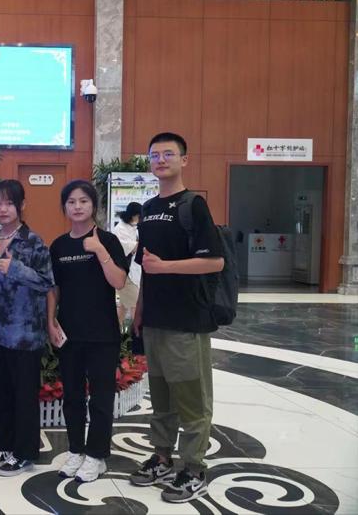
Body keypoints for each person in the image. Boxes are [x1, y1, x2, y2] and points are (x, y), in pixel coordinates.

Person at [128, 132, 224, 503]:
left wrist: (166, 266)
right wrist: (139, 310)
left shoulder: (193, 205)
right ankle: (162, 456)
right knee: (162, 395)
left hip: (187, 320)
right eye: (155, 155)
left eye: (169, 154)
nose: (161, 160)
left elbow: (214, 261)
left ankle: (194, 468)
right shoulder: (148, 208)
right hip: (155, 319)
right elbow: (146, 268)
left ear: (184, 160)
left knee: (192, 398)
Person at [47, 180, 128, 483]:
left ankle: (96, 455)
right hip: (69, 333)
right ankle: (76, 450)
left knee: (101, 397)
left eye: (83, 201)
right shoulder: (59, 246)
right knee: (72, 396)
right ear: (64, 207)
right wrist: (50, 321)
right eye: (71, 202)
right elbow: (54, 289)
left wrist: (99, 251)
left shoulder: (108, 240)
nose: (77, 206)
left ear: (94, 205)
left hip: (102, 334)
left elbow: (119, 281)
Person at [0, 180, 54, 477]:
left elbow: (47, 282)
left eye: (9, 203)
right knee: (0, 393)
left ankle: (24, 453)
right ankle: (5, 446)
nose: (3, 209)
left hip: (23, 334)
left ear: (22, 206)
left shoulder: (33, 242)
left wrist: (17, 270)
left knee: (23, 395)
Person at [112, 202, 142, 326]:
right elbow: (129, 248)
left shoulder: (135, 227)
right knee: (136, 305)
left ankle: (115, 331)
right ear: (134, 215)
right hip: (125, 272)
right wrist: (143, 242)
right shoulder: (120, 229)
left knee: (124, 306)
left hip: (135, 270)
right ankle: (138, 333)